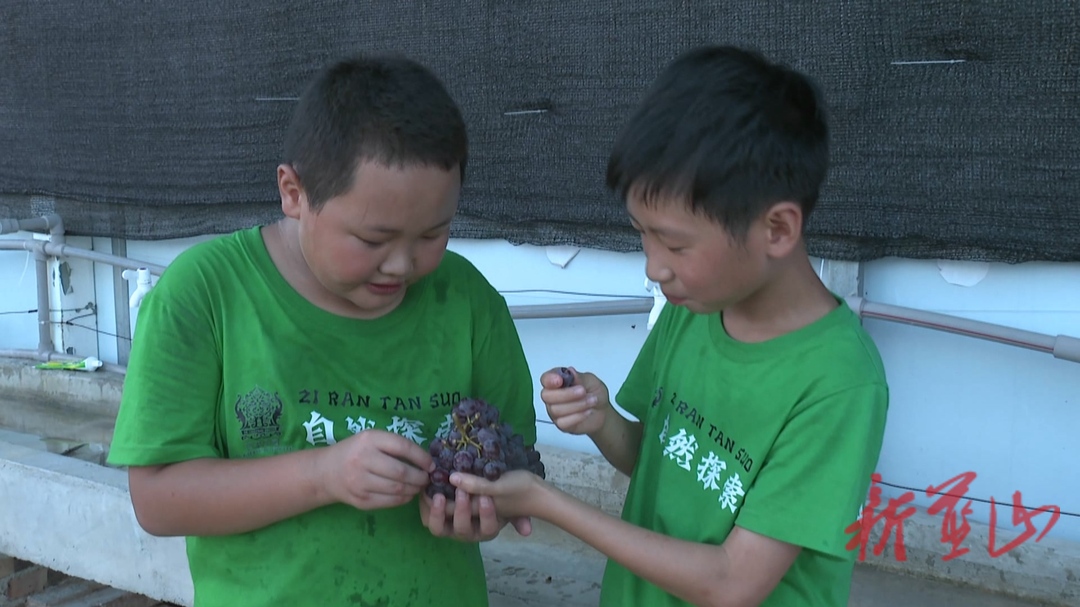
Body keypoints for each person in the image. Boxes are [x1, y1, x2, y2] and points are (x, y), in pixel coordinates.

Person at [450, 45, 890, 607]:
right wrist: (602, 418)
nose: (654, 268)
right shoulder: (696, 306)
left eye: (676, 244)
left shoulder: (838, 383)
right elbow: (653, 460)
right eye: (643, 234)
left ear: (776, 230)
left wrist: (546, 501)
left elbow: (733, 582)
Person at [107, 54, 537, 607]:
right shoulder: (205, 295)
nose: (402, 265)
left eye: (433, 234)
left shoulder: (468, 303)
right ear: (294, 192)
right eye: (372, 240)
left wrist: (483, 514)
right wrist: (323, 474)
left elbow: (512, 472)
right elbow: (158, 500)